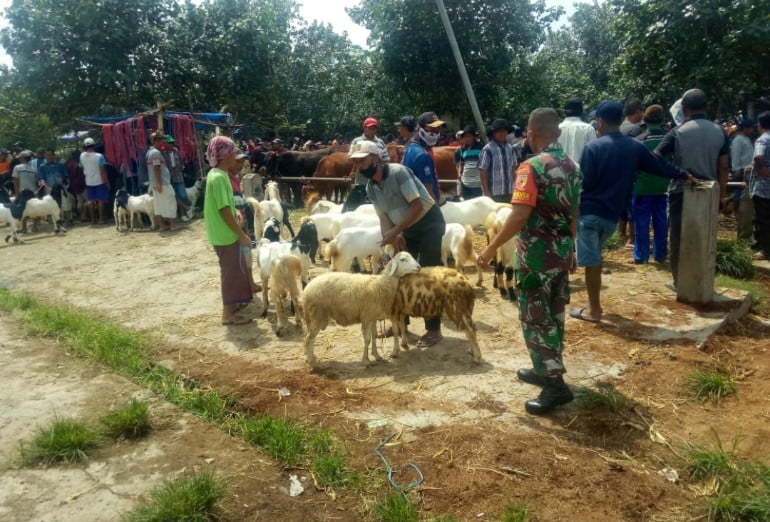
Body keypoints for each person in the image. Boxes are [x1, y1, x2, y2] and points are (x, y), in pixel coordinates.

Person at [478, 108, 582, 415]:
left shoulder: (531, 167)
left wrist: (489, 249)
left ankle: (555, 385)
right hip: (561, 254)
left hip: (536, 258)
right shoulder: (573, 166)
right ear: (558, 132)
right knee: (554, 313)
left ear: (532, 133)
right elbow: (574, 213)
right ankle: (544, 366)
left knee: (536, 318)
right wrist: (572, 249)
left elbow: (520, 214)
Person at [572, 100, 696, 323]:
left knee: (591, 263)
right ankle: (594, 307)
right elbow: (660, 166)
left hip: (589, 214)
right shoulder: (634, 147)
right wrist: (684, 175)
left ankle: (594, 310)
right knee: (595, 259)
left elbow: (583, 184)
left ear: (600, 121)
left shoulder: (593, 148)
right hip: (612, 216)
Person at [353, 140, 446, 347]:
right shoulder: (371, 187)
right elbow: (383, 216)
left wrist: (396, 231)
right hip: (406, 228)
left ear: (376, 159)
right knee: (398, 275)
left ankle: (433, 329)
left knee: (426, 275)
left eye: (363, 161)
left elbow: (416, 205)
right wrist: (390, 240)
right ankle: (399, 323)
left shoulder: (399, 172)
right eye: (356, 163)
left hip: (428, 223)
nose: (360, 166)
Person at [654, 89, 730, 289]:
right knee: (706, 237)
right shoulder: (720, 131)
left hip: (682, 190)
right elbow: (723, 166)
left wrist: (676, 172)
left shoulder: (677, 132)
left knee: (678, 237)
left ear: (685, 109)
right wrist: (722, 195)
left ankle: (680, 282)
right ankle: (703, 281)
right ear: (705, 107)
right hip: (710, 191)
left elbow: (656, 157)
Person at [204, 136, 257, 325]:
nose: (236, 156)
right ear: (225, 155)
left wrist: (237, 214)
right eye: (233, 152)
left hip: (224, 232)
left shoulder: (216, 175)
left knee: (233, 270)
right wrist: (241, 235)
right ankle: (228, 314)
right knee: (231, 272)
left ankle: (234, 306)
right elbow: (224, 209)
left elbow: (226, 206)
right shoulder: (219, 178)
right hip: (226, 235)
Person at [631, 105, 670, 264]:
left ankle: (642, 256)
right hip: (663, 189)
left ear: (645, 121)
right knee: (661, 222)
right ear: (662, 120)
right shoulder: (670, 140)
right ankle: (660, 255)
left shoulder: (639, 142)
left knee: (641, 223)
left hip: (641, 189)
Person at [345, 117, 391, 212]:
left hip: (378, 178)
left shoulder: (380, 142)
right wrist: (355, 169)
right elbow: (352, 158)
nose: (372, 130)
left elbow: (386, 160)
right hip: (362, 178)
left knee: (376, 207)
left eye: (374, 128)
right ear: (364, 128)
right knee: (359, 206)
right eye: (370, 128)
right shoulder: (357, 141)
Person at [402, 112, 442, 202]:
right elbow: (428, 192)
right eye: (432, 128)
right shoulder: (423, 155)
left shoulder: (410, 148)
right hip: (425, 205)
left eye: (438, 128)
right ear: (420, 128)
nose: (435, 132)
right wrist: (435, 212)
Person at [146, 132, 179, 231]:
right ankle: (173, 225)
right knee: (170, 202)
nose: (163, 143)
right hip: (162, 183)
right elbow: (157, 168)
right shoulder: (156, 153)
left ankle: (162, 226)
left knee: (159, 205)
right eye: (162, 141)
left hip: (156, 183)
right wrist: (159, 183)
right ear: (156, 141)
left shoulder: (150, 152)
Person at [479, 118, 517, 202]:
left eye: (504, 131)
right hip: (493, 193)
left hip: (510, 192)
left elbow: (514, 169)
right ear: (493, 133)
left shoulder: (510, 149)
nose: (502, 133)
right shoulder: (487, 149)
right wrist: (487, 194)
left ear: (507, 132)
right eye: (498, 131)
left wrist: (516, 188)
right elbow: (483, 172)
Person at [751, 111, 770, 260]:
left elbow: (758, 156)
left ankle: (765, 250)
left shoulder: (763, 139)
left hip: (763, 187)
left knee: (762, 219)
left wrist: (761, 168)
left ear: (760, 125)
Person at [79, 138, 110, 224]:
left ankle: (93, 220)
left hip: (89, 181)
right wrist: (107, 182)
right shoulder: (99, 156)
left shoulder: (82, 156)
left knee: (91, 201)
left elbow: (81, 167)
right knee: (100, 201)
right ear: (94, 146)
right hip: (99, 181)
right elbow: (103, 171)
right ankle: (100, 219)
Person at [729, 119, 755, 217]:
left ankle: (742, 210)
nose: (752, 130)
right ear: (745, 128)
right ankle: (735, 212)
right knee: (738, 191)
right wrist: (736, 170)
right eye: (751, 128)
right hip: (740, 169)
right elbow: (735, 155)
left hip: (748, 169)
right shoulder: (738, 140)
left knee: (744, 191)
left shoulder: (746, 139)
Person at [163, 135, 192, 221]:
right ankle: (183, 214)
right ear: (165, 143)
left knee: (183, 195)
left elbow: (181, 162)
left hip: (178, 176)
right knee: (175, 197)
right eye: (169, 143)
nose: (171, 144)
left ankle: (189, 209)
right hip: (169, 178)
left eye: (172, 143)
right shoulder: (163, 153)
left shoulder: (176, 151)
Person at [558, 98, 596, 162]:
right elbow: (593, 154)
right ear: (581, 111)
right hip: (582, 170)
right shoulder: (588, 129)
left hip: (559, 171)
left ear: (564, 111)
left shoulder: (556, 129)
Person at [454, 124, 484, 200]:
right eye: (465, 137)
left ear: (474, 137)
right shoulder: (462, 150)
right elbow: (461, 164)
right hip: (466, 183)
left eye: (469, 136)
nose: (467, 139)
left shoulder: (481, 148)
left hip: (478, 184)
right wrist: (460, 174)